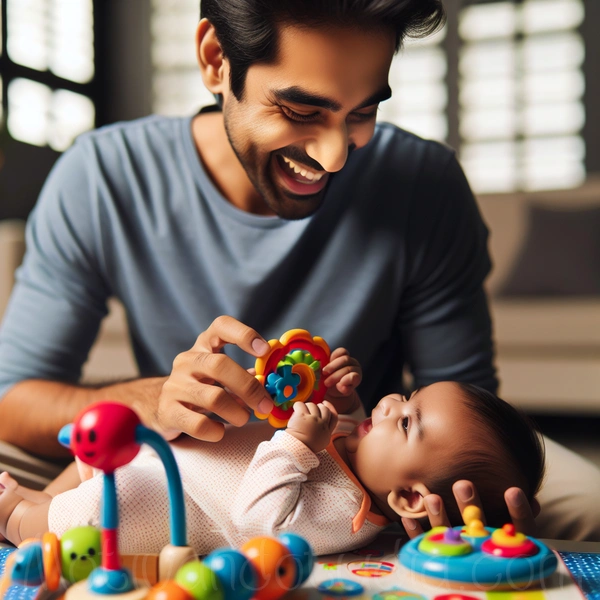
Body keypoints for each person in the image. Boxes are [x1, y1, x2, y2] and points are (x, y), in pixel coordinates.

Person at [0, 0, 598, 541]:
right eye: (299, 109)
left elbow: (463, 403)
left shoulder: (426, 183)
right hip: (178, 447)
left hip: (367, 466)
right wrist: (153, 400)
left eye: (361, 112)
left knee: (582, 504)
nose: (335, 155)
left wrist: (461, 507)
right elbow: (12, 399)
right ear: (215, 60)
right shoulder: (106, 173)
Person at [0, 376, 545, 556]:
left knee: (93, 514)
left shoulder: (344, 514)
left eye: (406, 422)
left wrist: (294, 446)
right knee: (100, 448)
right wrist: (338, 391)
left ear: (406, 500)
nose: (391, 404)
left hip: (169, 506)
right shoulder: (360, 444)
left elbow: (260, 525)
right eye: (407, 396)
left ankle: (18, 520)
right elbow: (342, 423)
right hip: (159, 453)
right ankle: (41, 497)